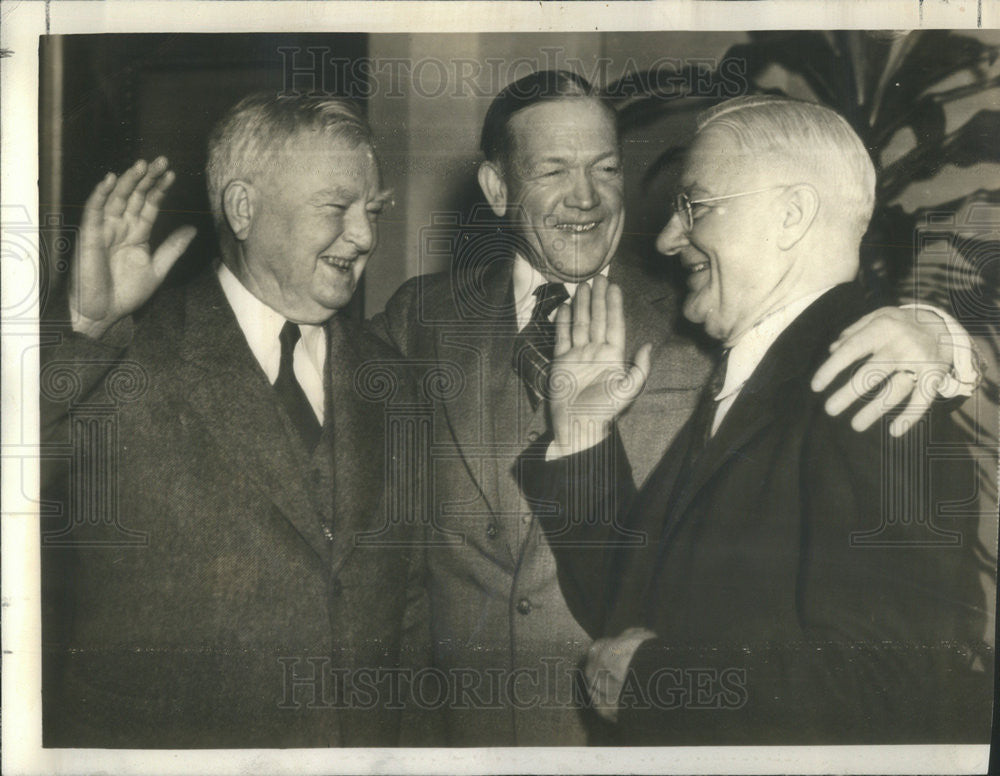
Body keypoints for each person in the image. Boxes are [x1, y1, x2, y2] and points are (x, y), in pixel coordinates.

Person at [371, 71, 979, 745]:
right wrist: (580, 436)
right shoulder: (418, 318)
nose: (665, 237)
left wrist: (939, 334)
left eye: (696, 206)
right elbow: (644, 591)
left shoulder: (869, 384)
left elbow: (907, 687)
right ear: (498, 188)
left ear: (790, 215)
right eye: (552, 170)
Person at [40, 93, 429, 747]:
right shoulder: (127, 356)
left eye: (372, 211)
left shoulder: (391, 379)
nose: (364, 236)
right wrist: (83, 331)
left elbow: (411, 613)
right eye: (337, 208)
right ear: (245, 209)